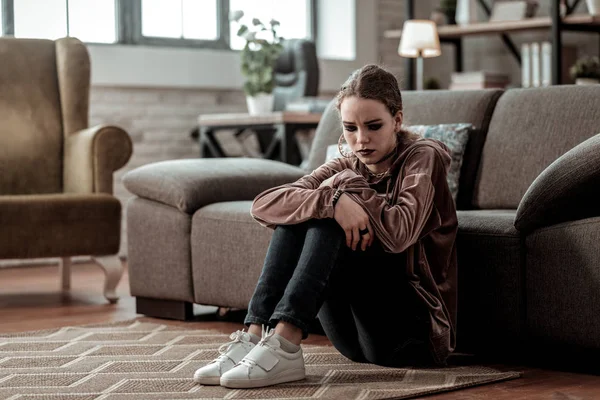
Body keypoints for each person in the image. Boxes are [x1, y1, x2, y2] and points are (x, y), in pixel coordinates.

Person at [193, 64, 458, 389]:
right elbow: (263, 206)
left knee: (325, 217)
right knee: (309, 211)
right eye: (350, 129)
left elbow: (399, 233)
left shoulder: (422, 157)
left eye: (374, 126)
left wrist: (345, 188)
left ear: (397, 120)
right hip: (352, 338)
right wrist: (333, 201)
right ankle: (254, 335)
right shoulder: (348, 161)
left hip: (412, 334)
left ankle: (286, 344)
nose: (361, 140)